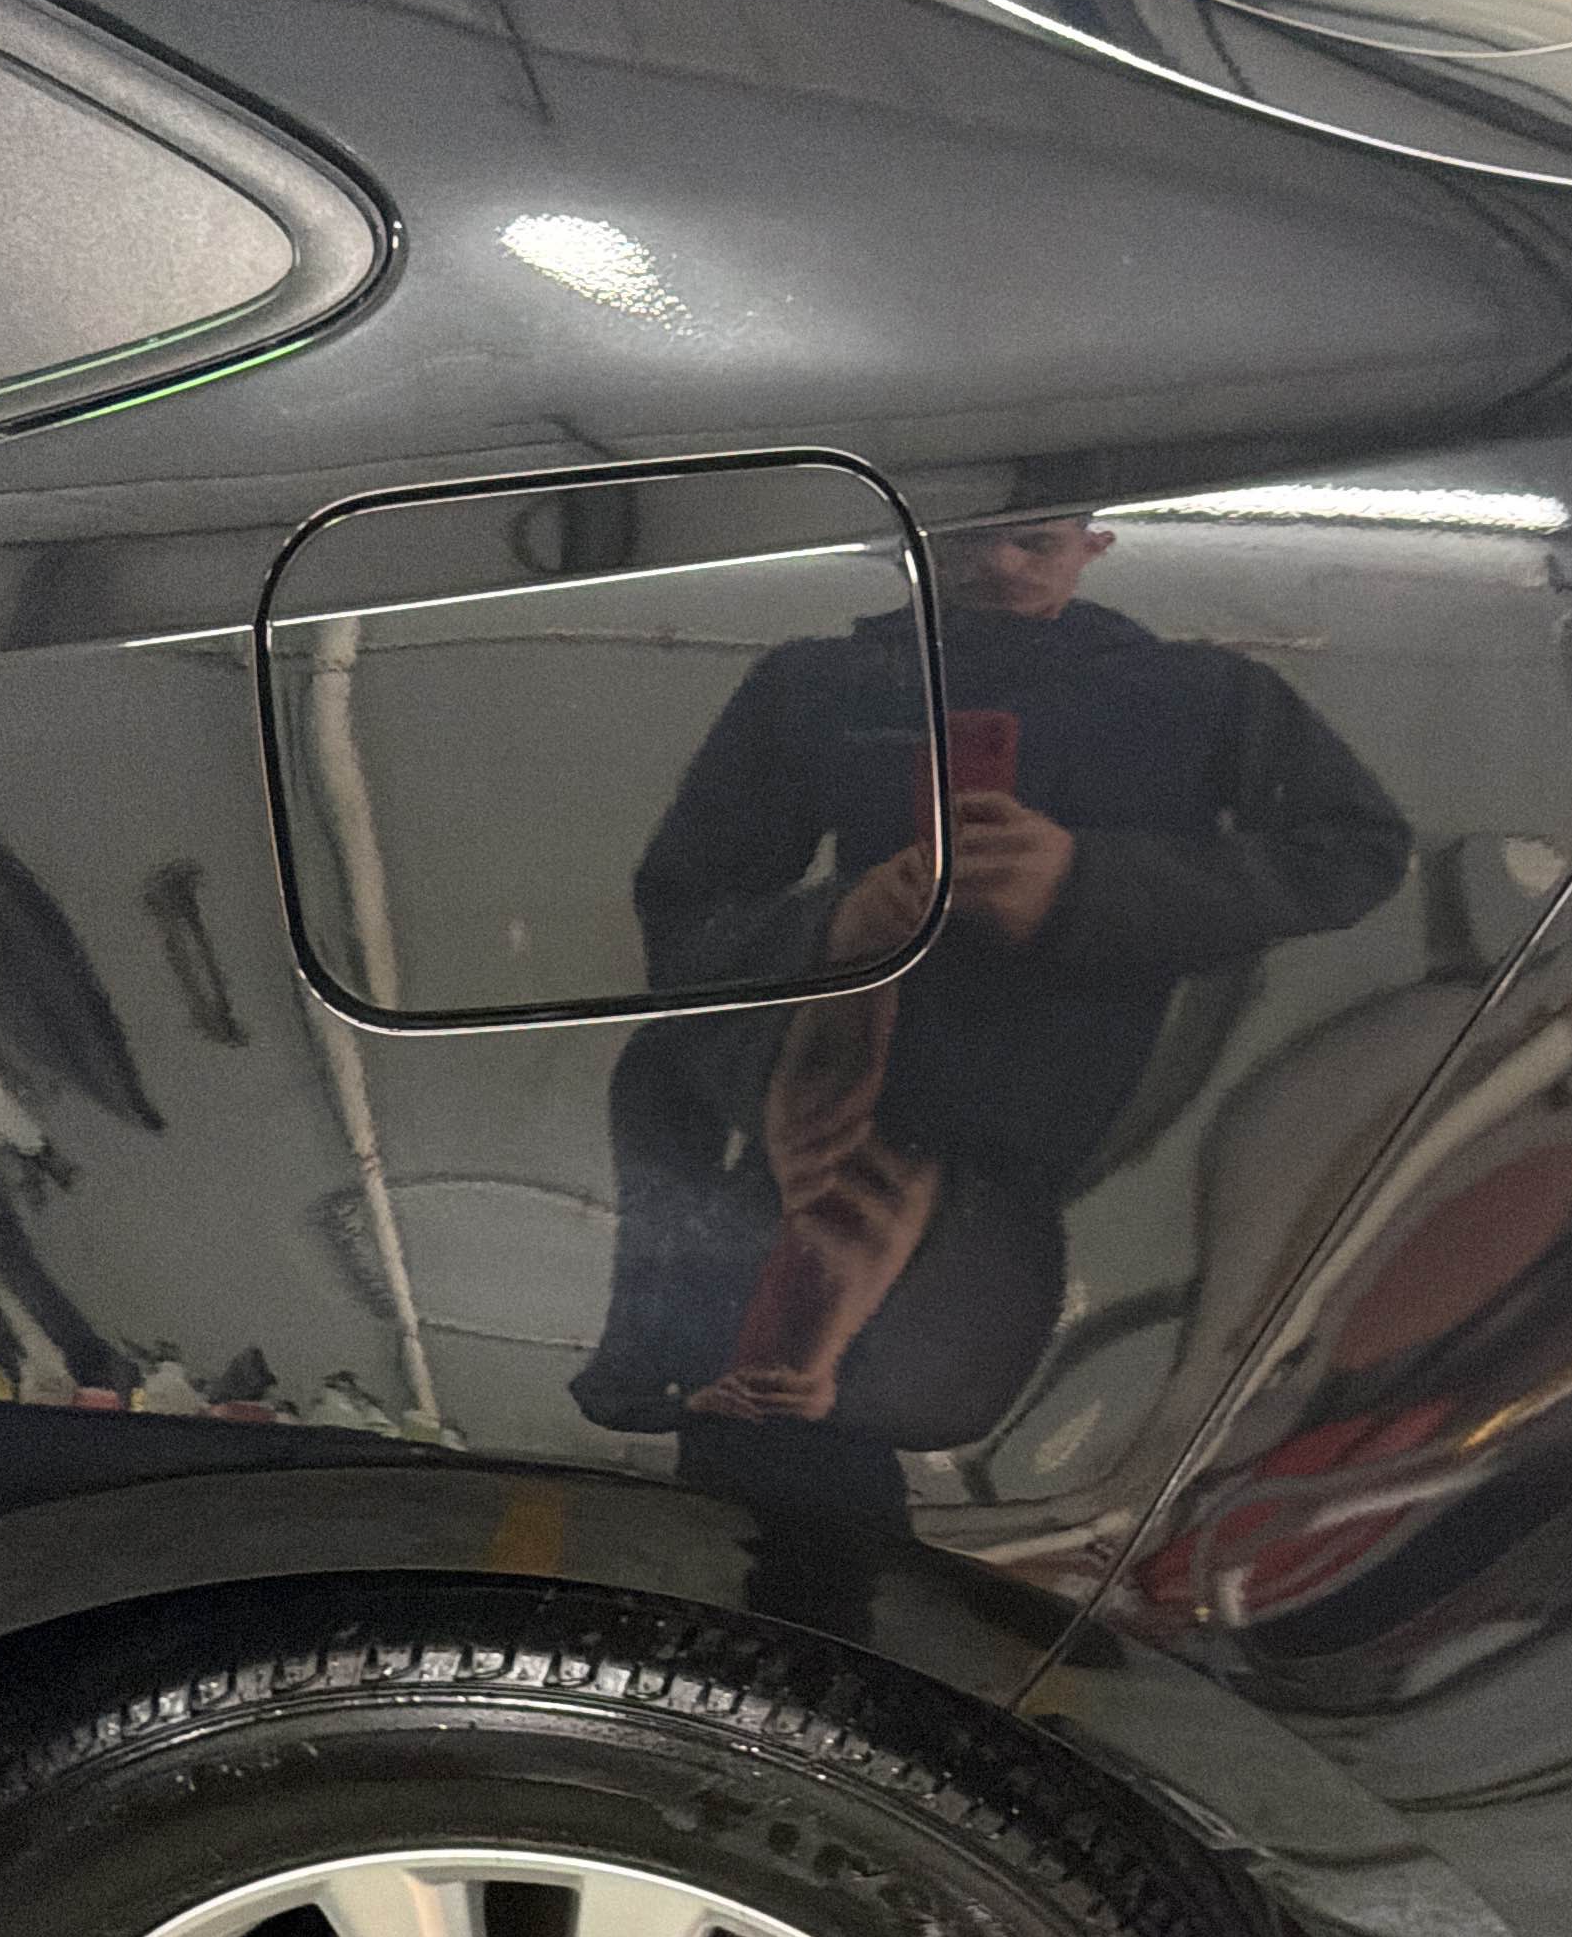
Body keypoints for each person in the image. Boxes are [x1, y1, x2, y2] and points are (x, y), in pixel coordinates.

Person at [574, 507, 1411, 1617]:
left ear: (1096, 543)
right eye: (968, 538)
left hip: (1030, 1164)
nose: (999, 565)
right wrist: (842, 923)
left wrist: (1085, 884)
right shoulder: (818, 687)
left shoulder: (1201, 697)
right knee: (762, 1496)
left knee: (923, 1495)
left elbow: (1356, 853)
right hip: (821, 1131)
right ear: (914, 542)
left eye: (1036, 541)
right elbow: (687, 914)